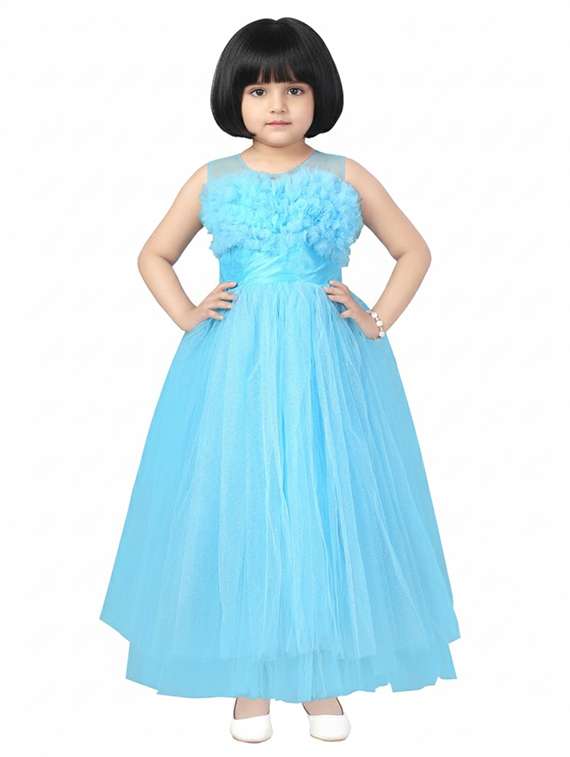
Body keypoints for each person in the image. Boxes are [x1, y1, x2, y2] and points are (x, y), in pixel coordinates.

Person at [99, 16, 461, 744]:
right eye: (259, 90)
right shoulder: (213, 178)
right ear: (233, 97)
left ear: (318, 95)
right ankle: (250, 680)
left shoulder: (345, 174)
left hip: (328, 368)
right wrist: (188, 314)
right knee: (243, 499)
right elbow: (153, 255)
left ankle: (320, 679)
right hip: (233, 369)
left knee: (325, 503)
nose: (277, 105)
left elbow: (414, 250)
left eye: (294, 89)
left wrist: (376, 317)